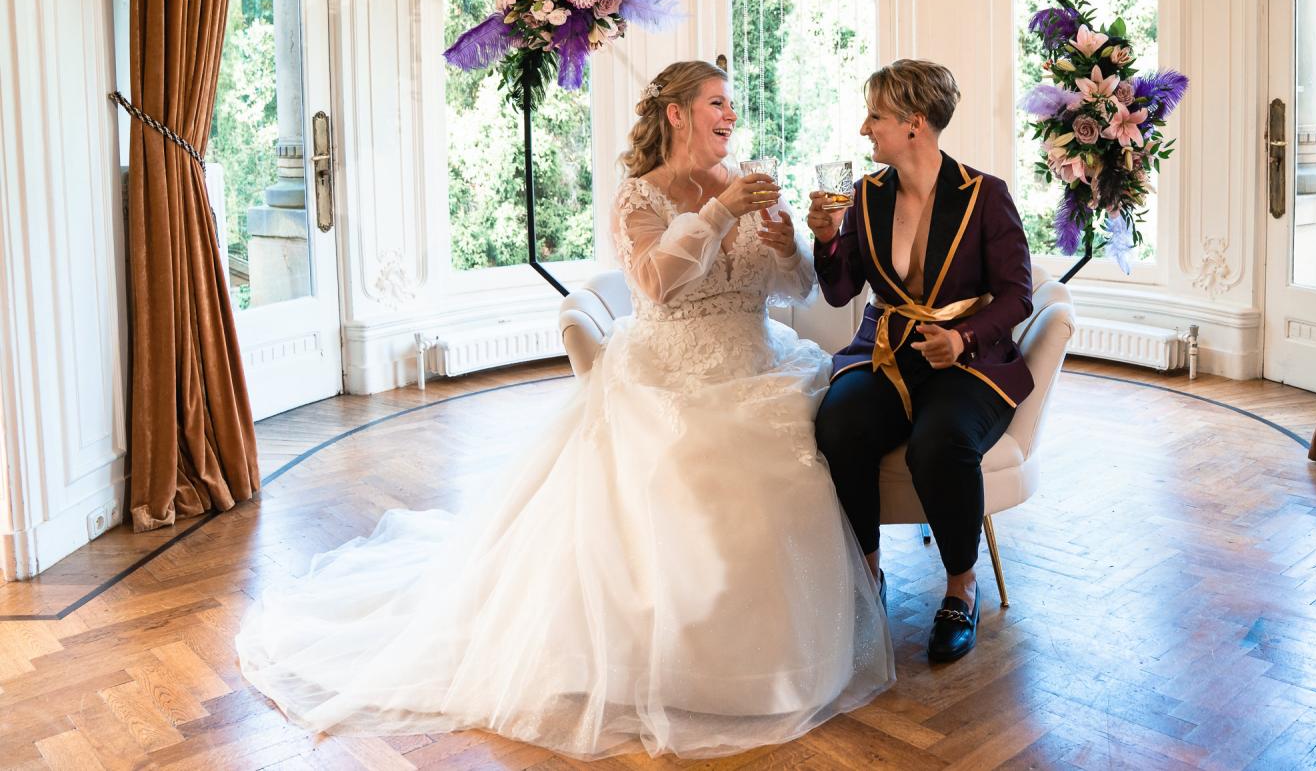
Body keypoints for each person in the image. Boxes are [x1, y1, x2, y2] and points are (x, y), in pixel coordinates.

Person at [236, 60, 894, 759]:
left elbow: (801, 290)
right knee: (709, 467)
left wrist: (790, 237)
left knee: (798, 446)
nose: (729, 114)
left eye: (731, 103)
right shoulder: (640, 195)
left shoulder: (749, 183)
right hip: (672, 374)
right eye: (715, 102)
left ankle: (796, 648)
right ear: (676, 114)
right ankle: (689, 662)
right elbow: (655, 285)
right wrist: (721, 210)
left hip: (761, 364)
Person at [806, 59, 1034, 663]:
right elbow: (838, 288)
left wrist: (962, 339)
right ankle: (869, 577)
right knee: (838, 423)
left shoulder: (986, 196)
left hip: (968, 362)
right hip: (886, 352)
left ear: (914, 124)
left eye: (874, 116)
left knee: (941, 442)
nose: (863, 129)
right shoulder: (865, 194)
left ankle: (961, 587)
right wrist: (828, 239)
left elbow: (1016, 295)